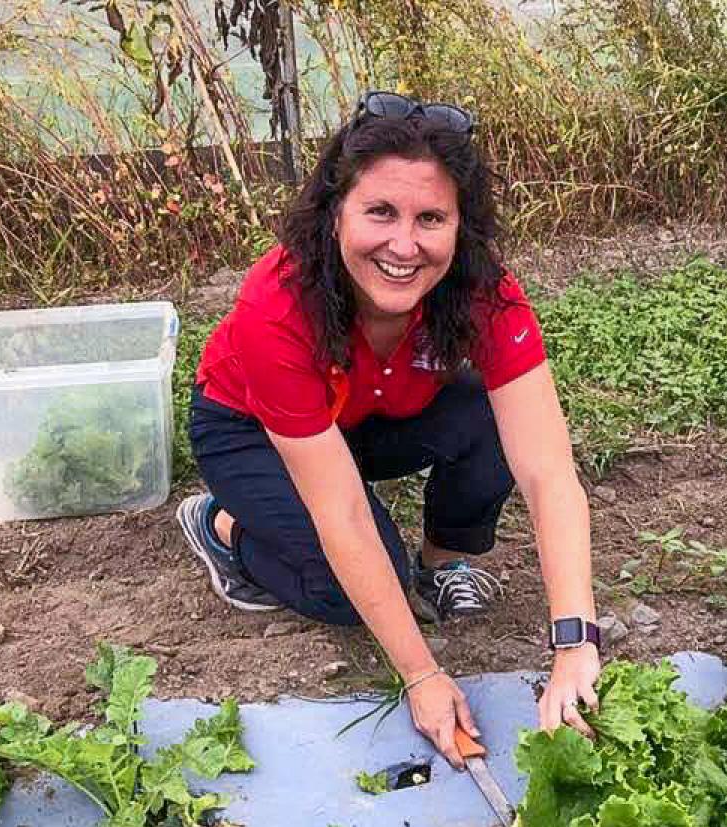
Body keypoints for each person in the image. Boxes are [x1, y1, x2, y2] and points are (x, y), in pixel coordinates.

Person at [177, 90, 601, 769]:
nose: (405, 245)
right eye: (380, 212)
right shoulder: (277, 304)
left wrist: (575, 640)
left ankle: (439, 566)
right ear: (335, 212)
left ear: (461, 226)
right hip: (251, 428)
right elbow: (339, 506)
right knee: (345, 590)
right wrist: (422, 674)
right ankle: (223, 525)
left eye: (431, 217)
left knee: (487, 419)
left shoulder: (484, 292)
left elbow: (549, 471)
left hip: (367, 417)